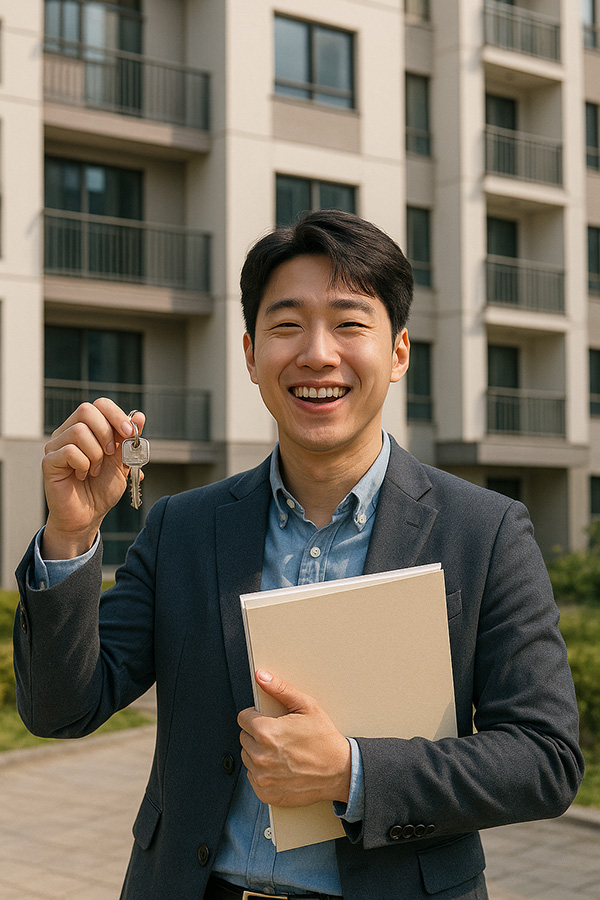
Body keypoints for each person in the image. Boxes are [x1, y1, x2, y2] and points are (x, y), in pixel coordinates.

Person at [14, 210, 583, 900]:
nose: (317, 353)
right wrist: (69, 536)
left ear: (399, 351)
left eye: (349, 323)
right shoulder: (183, 528)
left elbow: (544, 759)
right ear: (251, 355)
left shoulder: (484, 532)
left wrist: (352, 772)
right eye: (287, 325)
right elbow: (59, 709)